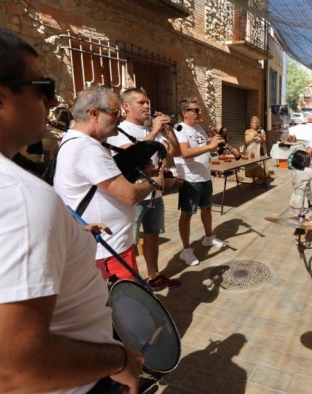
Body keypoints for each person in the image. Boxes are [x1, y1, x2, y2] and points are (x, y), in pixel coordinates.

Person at [0, 25, 143, 393]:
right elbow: (13, 369)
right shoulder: (20, 195)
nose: (50, 102)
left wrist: (73, 232)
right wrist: (121, 361)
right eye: (42, 88)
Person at [55, 86, 164, 282]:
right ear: (94, 114)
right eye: (115, 113)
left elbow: (103, 183)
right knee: (128, 309)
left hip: (110, 248)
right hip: (108, 251)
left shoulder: (82, 143)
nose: (119, 119)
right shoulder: (86, 148)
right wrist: (154, 183)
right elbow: (129, 195)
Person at [106, 87, 181, 291]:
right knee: (127, 243)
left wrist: (168, 131)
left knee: (152, 235)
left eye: (148, 102)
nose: (147, 106)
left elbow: (176, 151)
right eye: (141, 102)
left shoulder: (149, 131)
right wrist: (155, 130)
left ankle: (153, 276)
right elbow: (132, 156)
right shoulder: (119, 131)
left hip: (154, 193)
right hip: (133, 195)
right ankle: (130, 284)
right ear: (126, 106)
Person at [175, 97, 227, 267]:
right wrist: (209, 147)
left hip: (205, 176)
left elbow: (209, 149)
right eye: (196, 110)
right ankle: (186, 250)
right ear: (185, 113)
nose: (199, 113)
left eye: (199, 110)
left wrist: (217, 143)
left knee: (207, 208)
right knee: (187, 214)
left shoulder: (199, 128)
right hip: (190, 179)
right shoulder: (180, 129)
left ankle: (209, 238)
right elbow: (185, 152)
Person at [244, 115, 271, 183]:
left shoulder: (262, 131)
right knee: (253, 165)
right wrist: (254, 136)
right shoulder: (247, 131)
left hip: (260, 151)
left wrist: (260, 136)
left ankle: (263, 179)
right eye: (254, 123)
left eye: (256, 123)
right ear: (251, 123)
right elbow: (247, 141)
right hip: (251, 152)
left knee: (262, 165)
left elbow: (264, 141)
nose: (255, 124)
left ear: (258, 124)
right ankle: (253, 180)